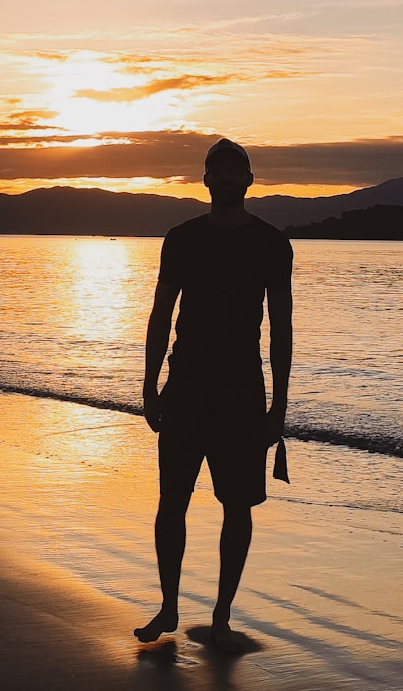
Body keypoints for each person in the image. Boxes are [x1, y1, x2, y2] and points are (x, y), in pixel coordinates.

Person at [136, 138, 293, 654]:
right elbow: (161, 315)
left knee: (237, 506)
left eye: (235, 172)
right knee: (171, 504)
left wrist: (278, 409)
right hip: (184, 389)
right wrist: (149, 386)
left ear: (249, 181)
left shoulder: (272, 244)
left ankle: (222, 614)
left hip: (243, 395)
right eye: (216, 171)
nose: (225, 178)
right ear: (204, 181)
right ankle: (168, 605)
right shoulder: (181, 240)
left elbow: (282, 327)